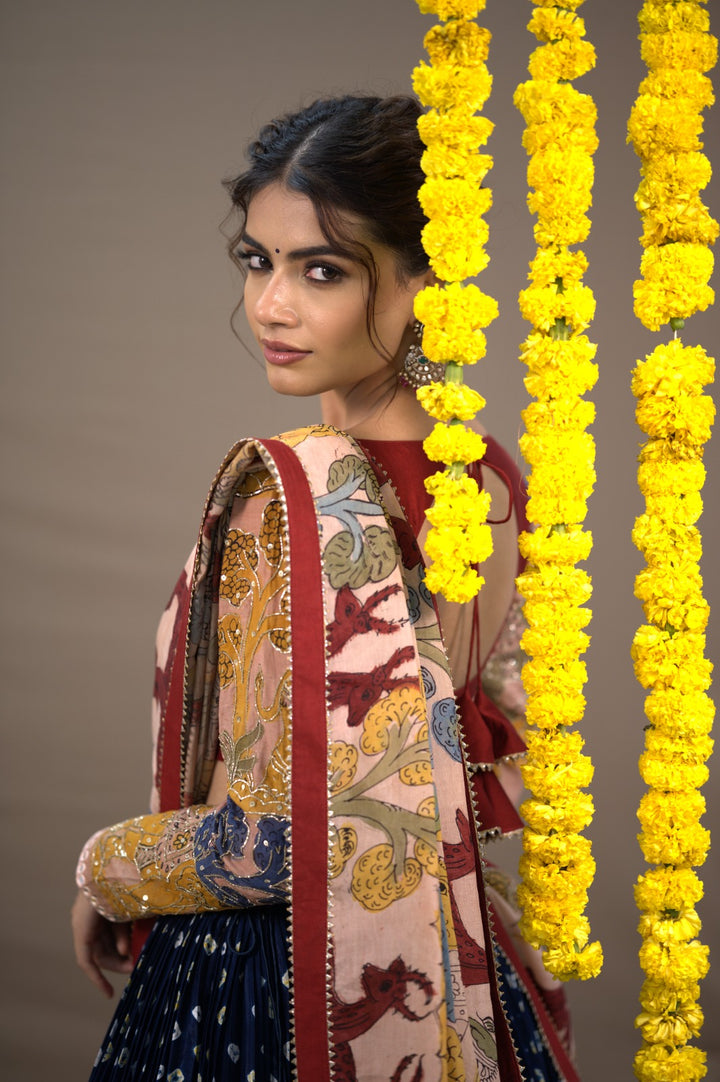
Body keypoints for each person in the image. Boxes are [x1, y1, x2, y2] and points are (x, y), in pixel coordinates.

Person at [72, 94, 580, 1082]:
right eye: (258, 260)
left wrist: (107, 869)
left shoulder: (294, 491)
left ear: (427, 282)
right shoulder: (492, 481)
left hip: (277, 973)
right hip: (439, 948)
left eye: (323, 270)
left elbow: (276, 839)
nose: (271, 303)